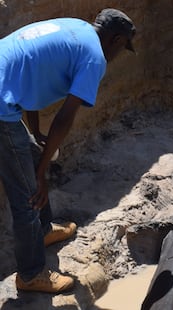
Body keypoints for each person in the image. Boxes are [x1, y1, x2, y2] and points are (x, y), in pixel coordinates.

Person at [0, 8, 136, 293]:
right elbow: (65, 118)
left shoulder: (76, 28)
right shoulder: (93, 58)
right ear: (115, 39)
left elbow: (29, 77)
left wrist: (36, 134)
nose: (121, 53)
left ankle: (44, 230)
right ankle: (30, 274)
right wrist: (40, 176)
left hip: (5, 86)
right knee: (27, 195)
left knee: (35, 151)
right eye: (124, 46)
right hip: (1, 106)